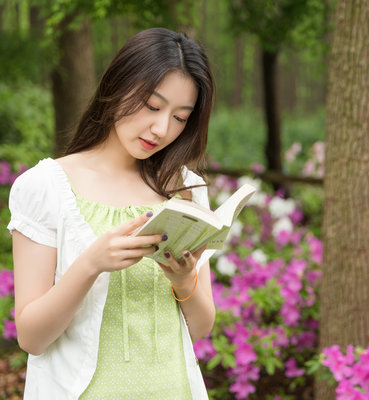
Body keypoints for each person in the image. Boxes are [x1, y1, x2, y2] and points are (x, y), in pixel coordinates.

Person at [7, 27, 216, 399]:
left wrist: (185, 281)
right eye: (153, 106)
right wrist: (91, 264)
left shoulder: (185, 188)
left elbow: (200, 327)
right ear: (119, 84)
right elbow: (32, 337)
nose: (162, 128)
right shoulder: (47, 187)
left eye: (181, 117)